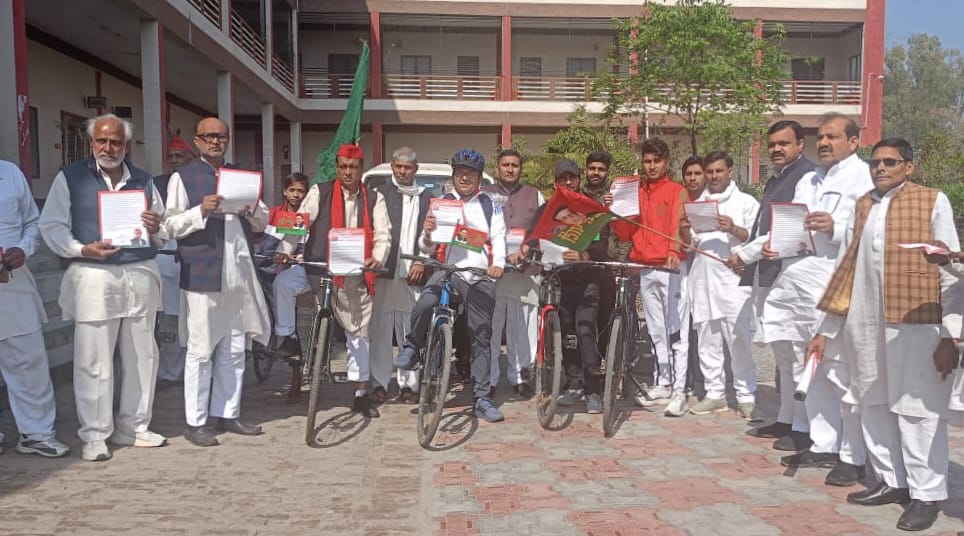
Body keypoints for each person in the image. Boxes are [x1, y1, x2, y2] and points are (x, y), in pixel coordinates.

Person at [808, 138, 960, 531]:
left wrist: (951, 334)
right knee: (871, 401)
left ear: (909, 166)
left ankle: (926, 494)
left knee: (918, 411)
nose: (880, 168)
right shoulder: (864, 204)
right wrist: (827, 328)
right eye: (875, 162)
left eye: (890, 162)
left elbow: (949, 267)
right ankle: (892, 480)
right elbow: (846, 267)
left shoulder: (932, 200)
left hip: (916, 322)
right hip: (865, 321)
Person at [735, 113, 872, 487]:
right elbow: (790, 229)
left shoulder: (863, 178)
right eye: (821, 137)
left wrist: (837, 227)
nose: (824, 143)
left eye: (832, 137)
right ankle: (822, 441)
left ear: (853, 142)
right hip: (796, 280)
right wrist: (762, 251)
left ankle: (852, 452)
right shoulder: (809, 180)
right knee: (803, 363)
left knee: (836, 370)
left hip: (833, 282)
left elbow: (871, 233)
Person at [39, 113, 166, 461]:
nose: (109, 147)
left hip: (138, 271)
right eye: (102, 140)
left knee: (142, 356)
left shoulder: (143, 180)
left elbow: (163, 229)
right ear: (91, 142)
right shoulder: (71, 177)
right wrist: (82, 249)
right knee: (93, 359)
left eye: (116, 141)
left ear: (127, 145)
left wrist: (156, 225)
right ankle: (95, 435)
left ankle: (133, 427)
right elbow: (51, 226)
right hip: (94, 275)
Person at [162, 117, 271, 447]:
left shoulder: (240, 177)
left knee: (234, 349)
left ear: (228, 140)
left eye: (220, 136)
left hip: (238, 274)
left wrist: (252, 209)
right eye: (208, 136)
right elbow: (169, 225)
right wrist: (200, 211)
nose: (215, 141)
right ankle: (196, 422)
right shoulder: (183, 177)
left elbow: (263, 220)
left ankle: (228, 412)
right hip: (203, 273)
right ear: (197, 141)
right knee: (201, 351)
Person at [276, 144, 390, 418]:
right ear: (337, 168)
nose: (348, 172)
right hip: (317, 266)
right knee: (283, 284)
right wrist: (284, 250)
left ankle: (360, 392)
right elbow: (301, 222)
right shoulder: (320, 191)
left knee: (358, 333)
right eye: (343, 167)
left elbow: (383, 234)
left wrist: (377, 257)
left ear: (361, 169)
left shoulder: (374, 198)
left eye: (353, 167)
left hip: (354, 272)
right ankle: (286, 337)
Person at [395, 149, 506, 423]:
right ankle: (412, 347)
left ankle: (482, 398)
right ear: (454, 176)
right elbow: (426, 247)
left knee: (481, 334)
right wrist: (428, 233)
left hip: (478, 275)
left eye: (470, 174)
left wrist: (498, 264)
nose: (464, 178)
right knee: (425, 302)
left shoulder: (490, 205)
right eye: (459, 173)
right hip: (448, 271)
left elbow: (499, 238)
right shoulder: (442, 202)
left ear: (479, 178)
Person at [730, 120, 815, 441]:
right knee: (782, 352)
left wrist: (744, 254)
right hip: (770, 274)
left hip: (792, 276)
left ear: (800, 145)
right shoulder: (776, 178)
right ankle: (786, 417)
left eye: (784, 143)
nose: (777, 149)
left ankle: (804, 426)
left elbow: (791, 229)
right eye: (772, 144)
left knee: (797, 351)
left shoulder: (806, 177)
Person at [0, 160, 69, 458]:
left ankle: (36, 434)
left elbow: (32, 222)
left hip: (13, 281)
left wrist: (23, 248)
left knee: (28, 359)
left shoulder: (10, 173)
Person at [686, 152, 759, 419]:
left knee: (739, 342)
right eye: (710, 171)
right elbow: (690, 244)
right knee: (707, 341)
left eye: (719, 170)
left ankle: (746, 395)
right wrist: (683, 229)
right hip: (703, 280)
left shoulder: (746, 202)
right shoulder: (698, 204)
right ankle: (714, 393)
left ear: (730, 171)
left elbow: (757, 238)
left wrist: (734, 228)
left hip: (733, 284)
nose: (714, 176)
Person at [627, 138, 690, 417]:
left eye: (657, 161)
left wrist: (674, 249)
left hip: (670, 267)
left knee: (676, 330)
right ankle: (663, 382)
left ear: (666, 162)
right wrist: (614, 208)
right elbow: (624, 229)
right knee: (655, 330)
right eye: (647, 161)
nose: (651, 166)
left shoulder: (677, 191)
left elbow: (678, 222)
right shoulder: (636, 191)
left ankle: (680, 390)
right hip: (646, 267)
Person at [545, 159, 611, 414]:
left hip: (588, 279)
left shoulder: (591, 208)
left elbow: (601, 244)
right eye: (563, 179)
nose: (568, 182)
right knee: (567, 333)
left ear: (579, 180)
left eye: (572, 178)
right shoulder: (548, 210)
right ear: (556, 183)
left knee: (585, 330)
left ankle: (593, 389)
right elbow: (539, 240)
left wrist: (584, 255)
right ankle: (573, 383)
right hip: (561, 280)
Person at [369, 147, 433, 404]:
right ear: (392, 167)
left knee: (410, 328)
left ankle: (409, 385)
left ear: (415, 169)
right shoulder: (379, 194)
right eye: (398, 166)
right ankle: (379, 382)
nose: (402, 172)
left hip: (413, 270)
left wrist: (421, 260)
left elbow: (432, 234)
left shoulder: (426, 197)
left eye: (407, 167)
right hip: (385, 270)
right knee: (380, 328)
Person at [485, 149, 544, 399]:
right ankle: (489, 378)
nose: (510, 169)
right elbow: (476, 229)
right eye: (505, 165)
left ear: (521, 168)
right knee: (491, 327)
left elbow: (544, 229)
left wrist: (528, 247)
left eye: (515, 165)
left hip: (525, 270)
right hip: (494, 271)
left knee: (523, 327)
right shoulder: (484, 194)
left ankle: (520, 376)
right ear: (497, 168)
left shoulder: (534, 195)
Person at [154, 134, 196, 385]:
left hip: (195, 260)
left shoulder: (199, 183)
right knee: (170, 320)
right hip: (165, 257)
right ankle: (170, 372)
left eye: (179, 156)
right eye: (170, 156)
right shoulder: (157, 184)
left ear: (191, 158)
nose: (174, 160)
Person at [265, 172, 311, 361]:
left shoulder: (311, 214)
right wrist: (274, 256)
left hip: (301, 269)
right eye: (292, 190)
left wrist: (298, 257)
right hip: (272, 268)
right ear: (284, 191)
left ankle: (292, 347)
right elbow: (265, 245)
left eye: (300, 191)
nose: (296, 195)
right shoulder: (275, 213)